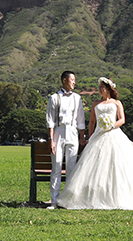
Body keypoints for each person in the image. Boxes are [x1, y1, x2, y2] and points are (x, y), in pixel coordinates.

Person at [57, 77, 133, 210]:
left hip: (113, 133)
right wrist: (90, 136)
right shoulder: (95, 103)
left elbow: (122, 119)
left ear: (109, 89)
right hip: (98, 135)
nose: (101, 89)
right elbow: (92, 122)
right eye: (100, 87)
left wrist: (111, 126)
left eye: (103, 87)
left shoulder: (117, 103)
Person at [45, 70, 86, 209]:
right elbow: (50, 120)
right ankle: (54, 201)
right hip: (59, 131)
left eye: (74, 80)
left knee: (71, 168)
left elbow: (81, 119)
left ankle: (69, 201)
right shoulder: (54, 98)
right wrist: (51, 139)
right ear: (64, 80)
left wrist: (82, 137)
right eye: (72, 79)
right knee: (56, 166)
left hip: (73, 132)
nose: (74, 82)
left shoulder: (77, 98)